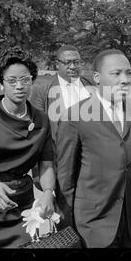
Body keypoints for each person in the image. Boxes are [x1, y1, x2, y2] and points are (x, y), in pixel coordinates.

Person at [56, 49, 131, 248]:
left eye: (129, 73)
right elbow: (66, 177)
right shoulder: (74, 117)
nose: (125, 80)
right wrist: (66, 225)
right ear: (97, 78)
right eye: (116, 74)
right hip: (90, 226)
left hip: (130, 223)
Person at [0, 46, 56, 248]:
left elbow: (46, 164)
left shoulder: (41, 119)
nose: (19, 86)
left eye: (25, 79)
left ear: (32, 80)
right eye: (12, 81)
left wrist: (48, 192)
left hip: (23, 205)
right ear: (0, 84)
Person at [30, 45, 93, 225]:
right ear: (57, 64)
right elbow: (37, 135)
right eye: (67, 62)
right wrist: (39, 175)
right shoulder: (43, 91)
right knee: (65, 220)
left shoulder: (91, 86)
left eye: (76, 62)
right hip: (60, 164)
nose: (72, 66)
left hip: (90, 163)